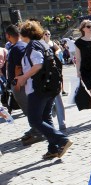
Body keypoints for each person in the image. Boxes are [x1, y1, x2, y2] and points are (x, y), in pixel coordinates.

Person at [14, 20, 72, 160]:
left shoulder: (33, 46)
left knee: (34, 120)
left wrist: (23, 78)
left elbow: (38, 65)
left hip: (38, 88)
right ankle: (53, 149)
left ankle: (62, 140)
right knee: (46, 117)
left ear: (24, 33)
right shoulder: (42, 44)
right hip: (49, 86)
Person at [5, 25, 43, 145]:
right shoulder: (21, 46)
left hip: (20, 84)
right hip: (25, 82)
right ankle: (35, 128)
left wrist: (17, 83)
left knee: (28, 109)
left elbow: (18, 66)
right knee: (29, 108)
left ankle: (37, 130)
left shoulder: (16, 48)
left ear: (8, 36)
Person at [43, 29, 66, 130]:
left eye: (49, 34)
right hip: (46, 74)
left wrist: (57, 52)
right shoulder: (41, 45)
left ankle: (62, 123)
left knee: (58, 97)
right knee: (50, 98)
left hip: (56, 72)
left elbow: (59, 50)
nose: (47, 35)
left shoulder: (52, 44)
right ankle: (52, 109)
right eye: (45, 34)